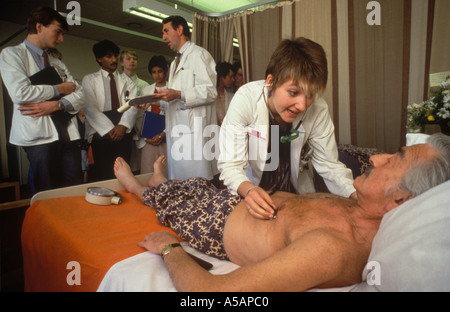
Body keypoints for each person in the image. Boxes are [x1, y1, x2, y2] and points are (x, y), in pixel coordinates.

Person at [113, 133, 450, 292]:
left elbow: (211, 295)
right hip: (243, 201)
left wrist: (169, 248)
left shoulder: (333, 248)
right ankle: (160, 182)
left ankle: (142, 188)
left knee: (173, 203)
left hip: (217, 225)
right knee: (198, 184)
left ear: (401, 200)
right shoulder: (360, 206)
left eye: (393, 160)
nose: (376, 159)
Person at [218, 37, 356, 220]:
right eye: (293, 92)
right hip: (252, 190)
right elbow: (231, 165)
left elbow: (329, 165)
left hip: (295, 193)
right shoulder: (246, 100)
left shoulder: (318, 109)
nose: (302, 105)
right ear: (271, 82)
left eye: (310, 95)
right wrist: (249, 190)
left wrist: (357, 195)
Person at [0, 6, 84, 193]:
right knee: (46, 193)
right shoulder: (11, 55)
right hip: (39, 138)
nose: (61, 39)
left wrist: (58, 104)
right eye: (58, 32)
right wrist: (59, 89)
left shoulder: (57, 63)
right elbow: (20, 93)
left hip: (67, 135)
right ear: (39, 27)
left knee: (74, 191)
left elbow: (80, 95)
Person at [152, 15, 218, 181]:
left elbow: (210, 91)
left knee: (197, 184)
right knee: (179, 184)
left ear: (179, 30)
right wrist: (157, 101)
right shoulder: (174, 62)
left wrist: (178, 93)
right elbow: (175, 101)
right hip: (177, 133)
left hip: (194, 133)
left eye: (166, 31)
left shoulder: (199, 55)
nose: (163, 37)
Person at [82, 40, 138, 181]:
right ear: (99, 59)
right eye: (108, 56)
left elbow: (133, 105)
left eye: (115, 56)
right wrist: (109, 129)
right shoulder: (89, 80)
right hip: (101, 132)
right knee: (103, 174)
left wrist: (122, 126)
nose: (114, 60)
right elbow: (89, 108)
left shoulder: (128, 82)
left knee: (124, 174)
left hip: (122, 132)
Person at [119, 50, 150, 173]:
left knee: (138, 163)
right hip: (122, 126)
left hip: (140, 126)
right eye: (128, 58)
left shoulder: (144, 85)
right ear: (121, 62)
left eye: (134, 59)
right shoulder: (117, 82)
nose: (132, 61)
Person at [137, 55, 169, 174]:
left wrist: (162, 134)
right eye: (154, 72)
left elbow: (175, 115)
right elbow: (140, 116)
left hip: (166, 138)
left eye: (160, 71)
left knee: (165, 172)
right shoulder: (146, 91)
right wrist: (146, 136)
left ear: (165, 71)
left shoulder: (172, 89)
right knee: (147, 172)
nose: (157, 75)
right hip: (148, 139)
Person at [215, 61, 235, 126]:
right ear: (222, 77)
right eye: (231, 76)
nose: (233, 79)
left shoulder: (232, 97)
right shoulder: (211, 97)